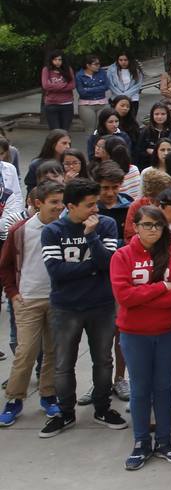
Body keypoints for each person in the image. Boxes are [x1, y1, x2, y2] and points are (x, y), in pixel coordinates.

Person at [40, 178, 126, 436]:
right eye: (89, 205)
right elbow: (57, 272)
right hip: (66, 308)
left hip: (101, 306)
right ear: (71, 206)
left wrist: (91, 237)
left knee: (103, 360)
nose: (94, 210)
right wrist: (92, 268)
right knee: (63, 363)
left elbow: (109, 264)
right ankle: (66, 413)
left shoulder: (106, 225)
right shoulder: (53, 231)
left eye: (95, 204)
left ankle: (102, 408)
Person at [111, 206, 171, 469]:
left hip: (169, 331)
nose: (152, 230)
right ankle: (140, 442)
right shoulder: (122, 256)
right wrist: (160, 288)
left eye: (158, 225)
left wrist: (144, 297)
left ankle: (164, 440)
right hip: (134, 334)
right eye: (146, 225)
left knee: (164, 387)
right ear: (135, 226)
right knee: (139, 388)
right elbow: (124, 297)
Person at [0, 183, 65, 428]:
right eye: (54, 202)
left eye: (61, 202)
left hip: (57, 300)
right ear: (38, 203)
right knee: (26, 351)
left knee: (52, 351)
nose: (59, 207)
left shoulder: (65, 228)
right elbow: (5, 265)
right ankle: (14, 399)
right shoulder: (21, 230)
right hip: (28, 299)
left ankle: (48, 395)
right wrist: (13, 293)